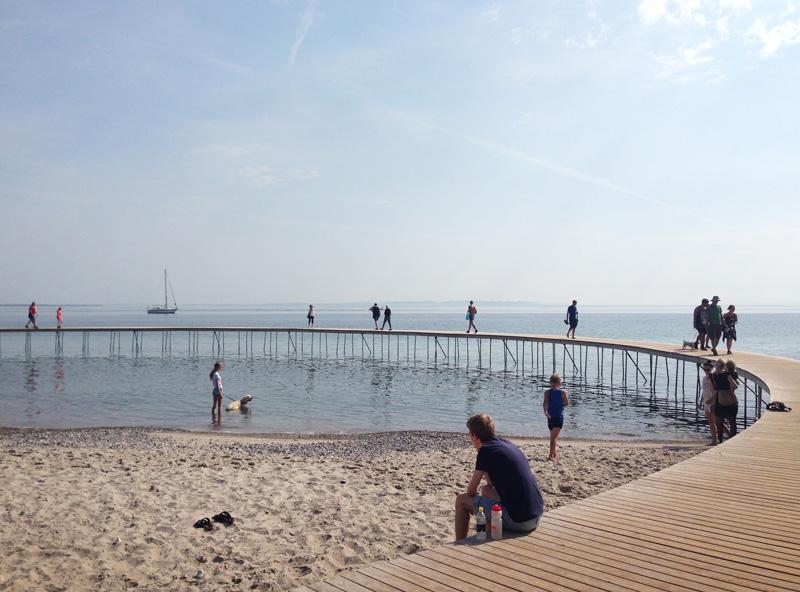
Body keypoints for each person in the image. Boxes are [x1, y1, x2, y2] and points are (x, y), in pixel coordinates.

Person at [454, 414, 544, 541]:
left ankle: (459, 542)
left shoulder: (486, 451)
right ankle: (489, 534)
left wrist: (471, 505)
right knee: (486, 490)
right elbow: (491, 484)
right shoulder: (505, 444)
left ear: (475, 436)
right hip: (536, 516)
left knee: (461, 501)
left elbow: (470, 491)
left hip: (519, 521)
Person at [699, 361, 726, 446]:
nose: (706, 371)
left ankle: (731, 436)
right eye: (705, 369)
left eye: (708, 369)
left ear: (711, 369)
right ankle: (714, 441)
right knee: (710, 422)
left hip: (713, 402)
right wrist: (700, 402)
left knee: (717, 422)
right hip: (706, 402)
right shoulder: (704, 378)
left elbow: (716, 391)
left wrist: (711, 399)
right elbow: (703, 391)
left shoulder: (713, 377)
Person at [710, 359, 738, 443]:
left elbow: (713, 389)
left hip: (719, 399)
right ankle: (733, 440)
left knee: (719, 422)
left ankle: (720, 441)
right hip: (729, 398)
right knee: (732, 421)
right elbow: (735, 386)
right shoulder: (727, 374)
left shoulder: (712, 376)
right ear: (723, 366)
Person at [543, 374, 569, 460]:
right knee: (554, 437)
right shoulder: (562, 392)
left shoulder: (547, 392)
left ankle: (553, 452)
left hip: (550, 416)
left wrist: (545, 411)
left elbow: (545, 403)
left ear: (550, 382)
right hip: (558, 417)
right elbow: (566, 404)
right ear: (559, 383)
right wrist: (559, 406)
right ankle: (551, 455)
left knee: (552, 436)